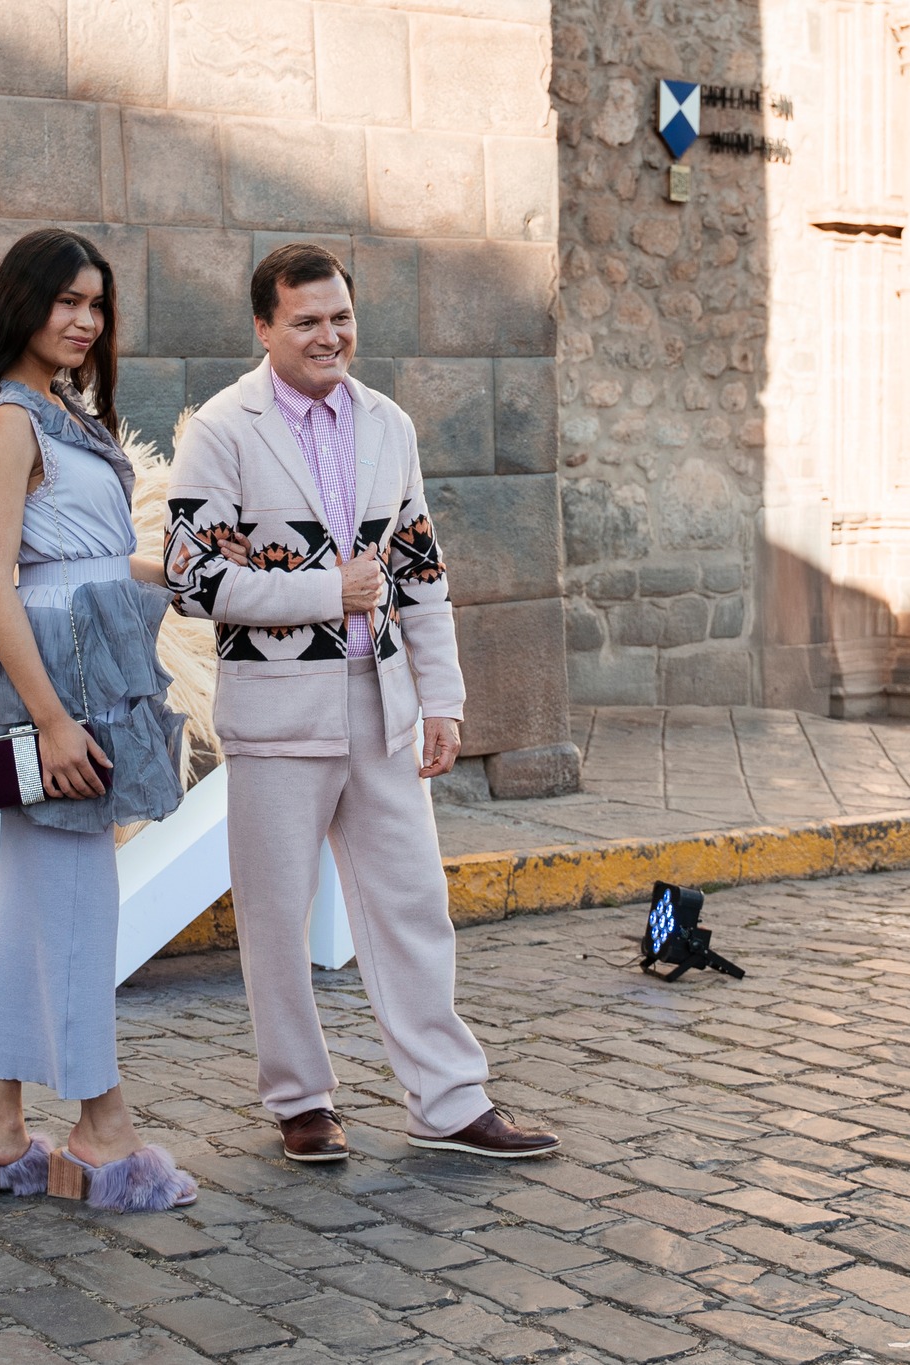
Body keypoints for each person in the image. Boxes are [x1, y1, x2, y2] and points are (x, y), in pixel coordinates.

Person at [162, 242, 559, 1161]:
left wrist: (443, 699)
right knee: (276, 916)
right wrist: (323, 589)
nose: (328, 335)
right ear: (264, 328)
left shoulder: (389, 425)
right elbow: (190, 579)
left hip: (382, 705)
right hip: (276, 713)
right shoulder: (221, 429)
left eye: (340, 317)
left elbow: (420, 575)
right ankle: (301, 1100)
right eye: (306, 320)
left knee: (414, 902)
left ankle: (450, 1101)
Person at [0, 228, 213, 1212]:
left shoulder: (57, 410)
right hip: (59, 682)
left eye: (97, 305)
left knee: (28, 904)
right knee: (83, 903)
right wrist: (52, 721)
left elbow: (79, 557)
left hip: (86, 661)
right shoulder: (12, 417)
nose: (86, 321)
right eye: (67, 302)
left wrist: (164, 571)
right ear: (23, 303)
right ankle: (102, 1131)